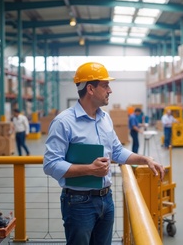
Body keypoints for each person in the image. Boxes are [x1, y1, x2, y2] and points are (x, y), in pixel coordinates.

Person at [43, 62, 165, 245]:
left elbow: (116, 151)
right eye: (105, 85)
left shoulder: (105, 118)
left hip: (106, 200)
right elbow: (51, 164)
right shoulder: (64, 122)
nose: (110, 90)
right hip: (78, 202)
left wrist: (144, 159)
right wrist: (89, 169)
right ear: (90, 89)